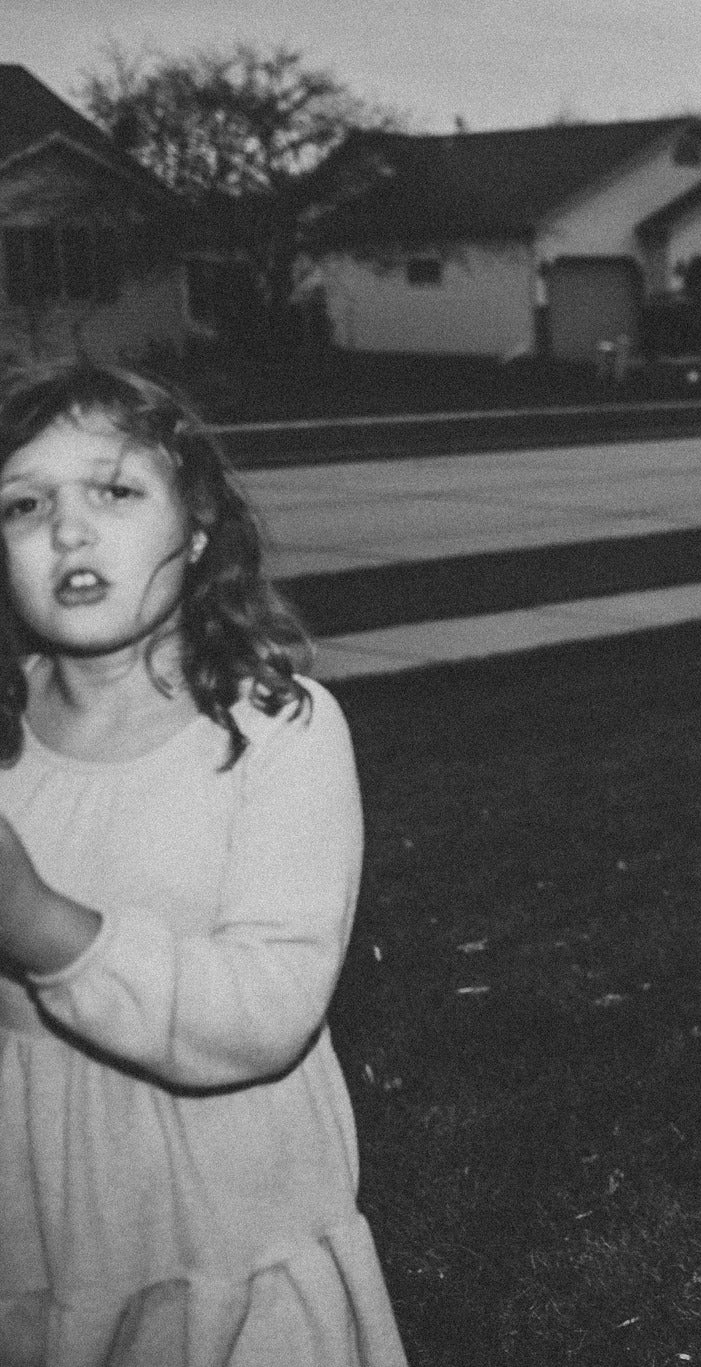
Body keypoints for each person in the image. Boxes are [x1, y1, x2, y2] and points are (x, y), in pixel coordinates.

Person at [0, 364, 408, 1366]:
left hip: (224, 1225)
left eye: (115, 490)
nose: (68, 530)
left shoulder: (276, 733)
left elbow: (268, 1008)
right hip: (37, 1219)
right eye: (24, 502)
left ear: (193, 530)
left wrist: (39, 923)